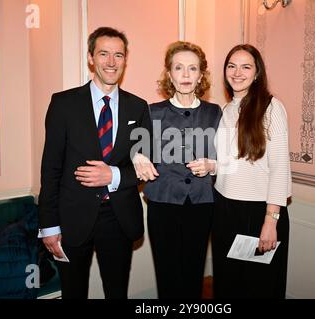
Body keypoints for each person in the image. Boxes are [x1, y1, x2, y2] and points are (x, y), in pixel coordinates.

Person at [37, 27, 152, 299]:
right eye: (103, 54)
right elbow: (50, 169)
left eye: (118, 55)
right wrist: (49, 227)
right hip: (71, 219)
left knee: (117, 292)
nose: (111, 62)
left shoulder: (138, 107)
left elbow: (146, 165)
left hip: (118, 218)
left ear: (125, 60)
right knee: (74, 293)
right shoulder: (63, 104)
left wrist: (111, 175)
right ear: (90, 58)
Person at [133, 41, 222, 298]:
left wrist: (212, 165)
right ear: (169, 74)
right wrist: (137, 154)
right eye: (179, 68)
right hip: (163, 205)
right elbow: (134, 149)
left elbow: (229, 158)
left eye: (192, 68)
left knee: (193, 273)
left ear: (201, 75)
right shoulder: (151, 112)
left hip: (202, 204)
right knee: (167, 274)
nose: (185, 75)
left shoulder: (214, 112)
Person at [211, 44, 292, 298]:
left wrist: (271, 221)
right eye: (231, 66)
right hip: (225, 210)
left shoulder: (271, 107)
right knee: (228, 285)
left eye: (246, 66)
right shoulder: (226, 110)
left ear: (257, 73)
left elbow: (279, 168)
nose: (237, 72)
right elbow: (229, 163)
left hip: (258, 213)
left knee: (258, 288)